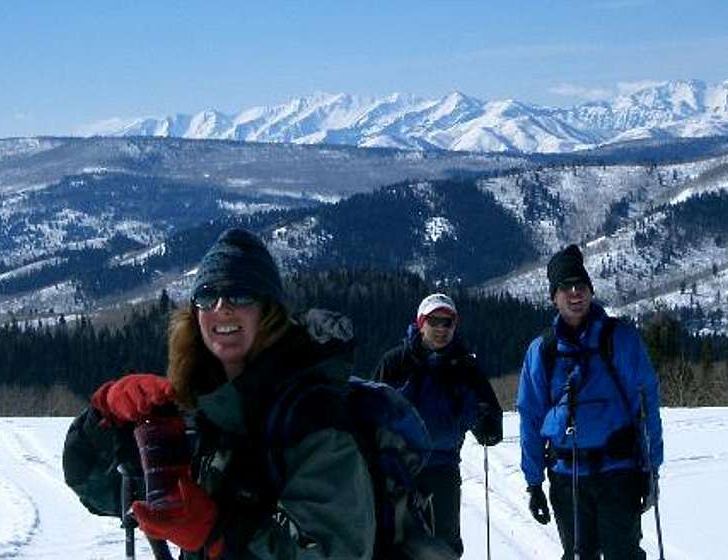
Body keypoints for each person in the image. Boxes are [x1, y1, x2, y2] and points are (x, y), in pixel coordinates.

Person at [63, 227, 376, 560]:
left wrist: (219, 536)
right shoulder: (198, 411)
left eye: (241, 295)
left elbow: (336, 550)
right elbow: (98, 490)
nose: (222, 307)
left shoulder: (309, 416)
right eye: (208, 297)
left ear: (268, 310)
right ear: (195, 313)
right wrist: (104, 416)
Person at [517, 244, 662, 560]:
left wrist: (651, 469)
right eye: (565, 287)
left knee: (622, 554)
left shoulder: (620, 339)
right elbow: (529, 417)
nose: (574, 293)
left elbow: (646, 404)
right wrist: (533, 482)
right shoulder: (542, 351)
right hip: (567, 476)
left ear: (591, 290)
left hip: (618, 471)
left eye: (580, 285)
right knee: (579, 555)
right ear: (553, 297)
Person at [372, 293, 503, 557]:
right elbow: (370, 411)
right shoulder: (395, 363)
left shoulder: (466, 366)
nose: (442, 328)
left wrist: (487, 424)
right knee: (394, 543)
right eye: (435, 321)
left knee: (444, 546)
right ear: (421, 323)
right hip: (398, 469)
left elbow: (487, 412)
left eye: (448, 322)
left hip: (443, 467)